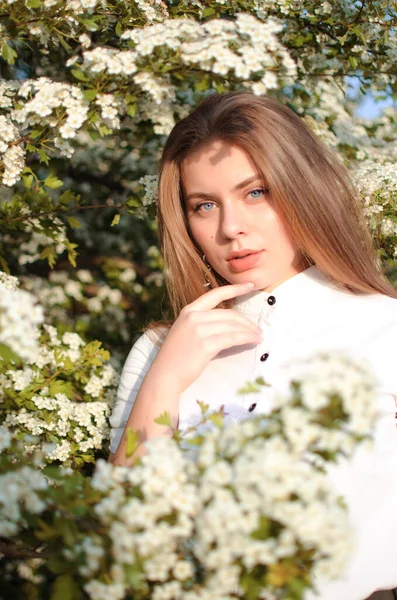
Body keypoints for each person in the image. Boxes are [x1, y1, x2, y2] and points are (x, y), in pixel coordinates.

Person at [108, 92, 397, 600]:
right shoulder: (160, 350)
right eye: (204, 205)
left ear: (302, 190)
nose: (230, 228)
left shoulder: (384, 328)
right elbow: (116, 535)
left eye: (256, 193)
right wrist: (162, 387)